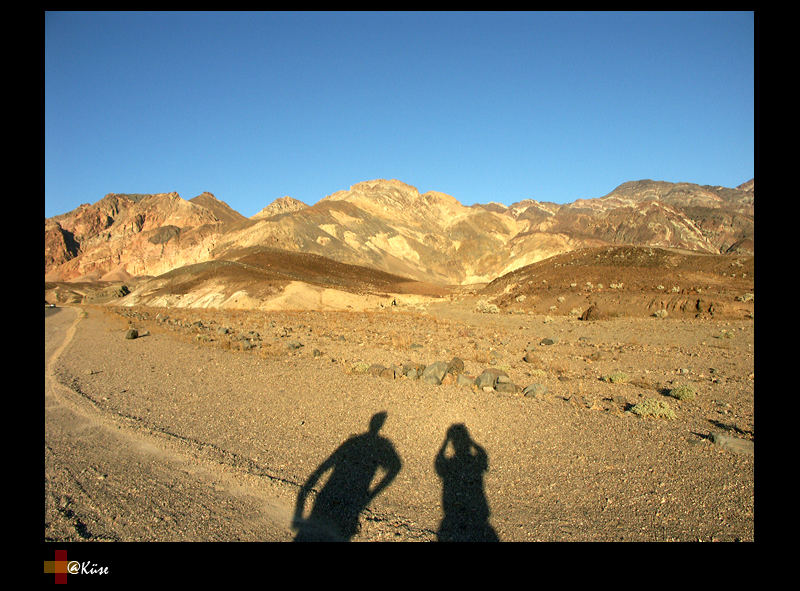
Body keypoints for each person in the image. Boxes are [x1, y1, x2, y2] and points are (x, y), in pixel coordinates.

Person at [292, 411, 401, 541]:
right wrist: (372, 494)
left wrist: (301, 504)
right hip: (352, 498)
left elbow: (325, 466)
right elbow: (396, 467)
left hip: (330, 494)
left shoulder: (353, 442)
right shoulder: (381, 444)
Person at [434, 423, 499, 542]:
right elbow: (483, 456)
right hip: (478, 514)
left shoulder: (450, 465)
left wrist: (445, 442)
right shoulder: (475, 463)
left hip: (453, 513)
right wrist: (471, 442)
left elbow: (439, 463)